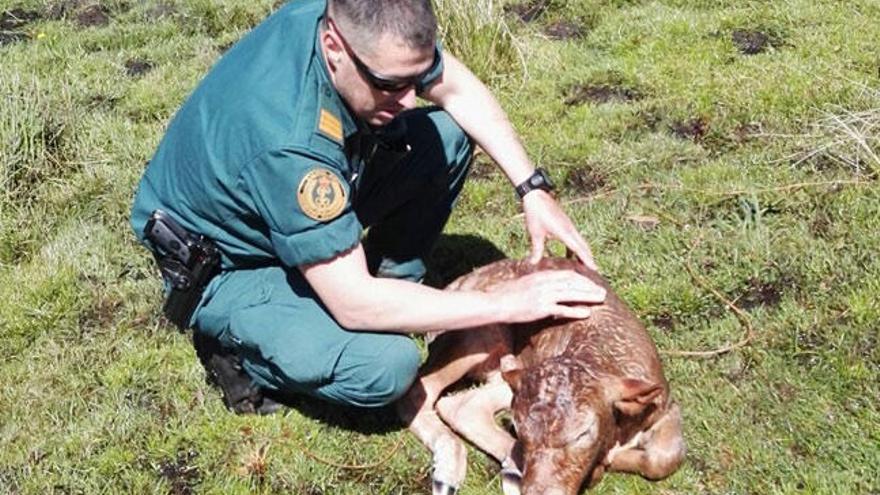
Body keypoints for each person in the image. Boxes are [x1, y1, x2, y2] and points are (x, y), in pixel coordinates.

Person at [130, 0, 606, 414]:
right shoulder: (291, 147)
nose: (407, 100)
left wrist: (532, 189)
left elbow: (457, 91)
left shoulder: (358, 23)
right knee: (384, 366)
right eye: (389, 85)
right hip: (228, 263)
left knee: (449, 135)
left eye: (415, 81)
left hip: (284, 193)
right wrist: (504, 303)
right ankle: (237, 347)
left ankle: (397, 291)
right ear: (335, 47)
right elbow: (354, 304)